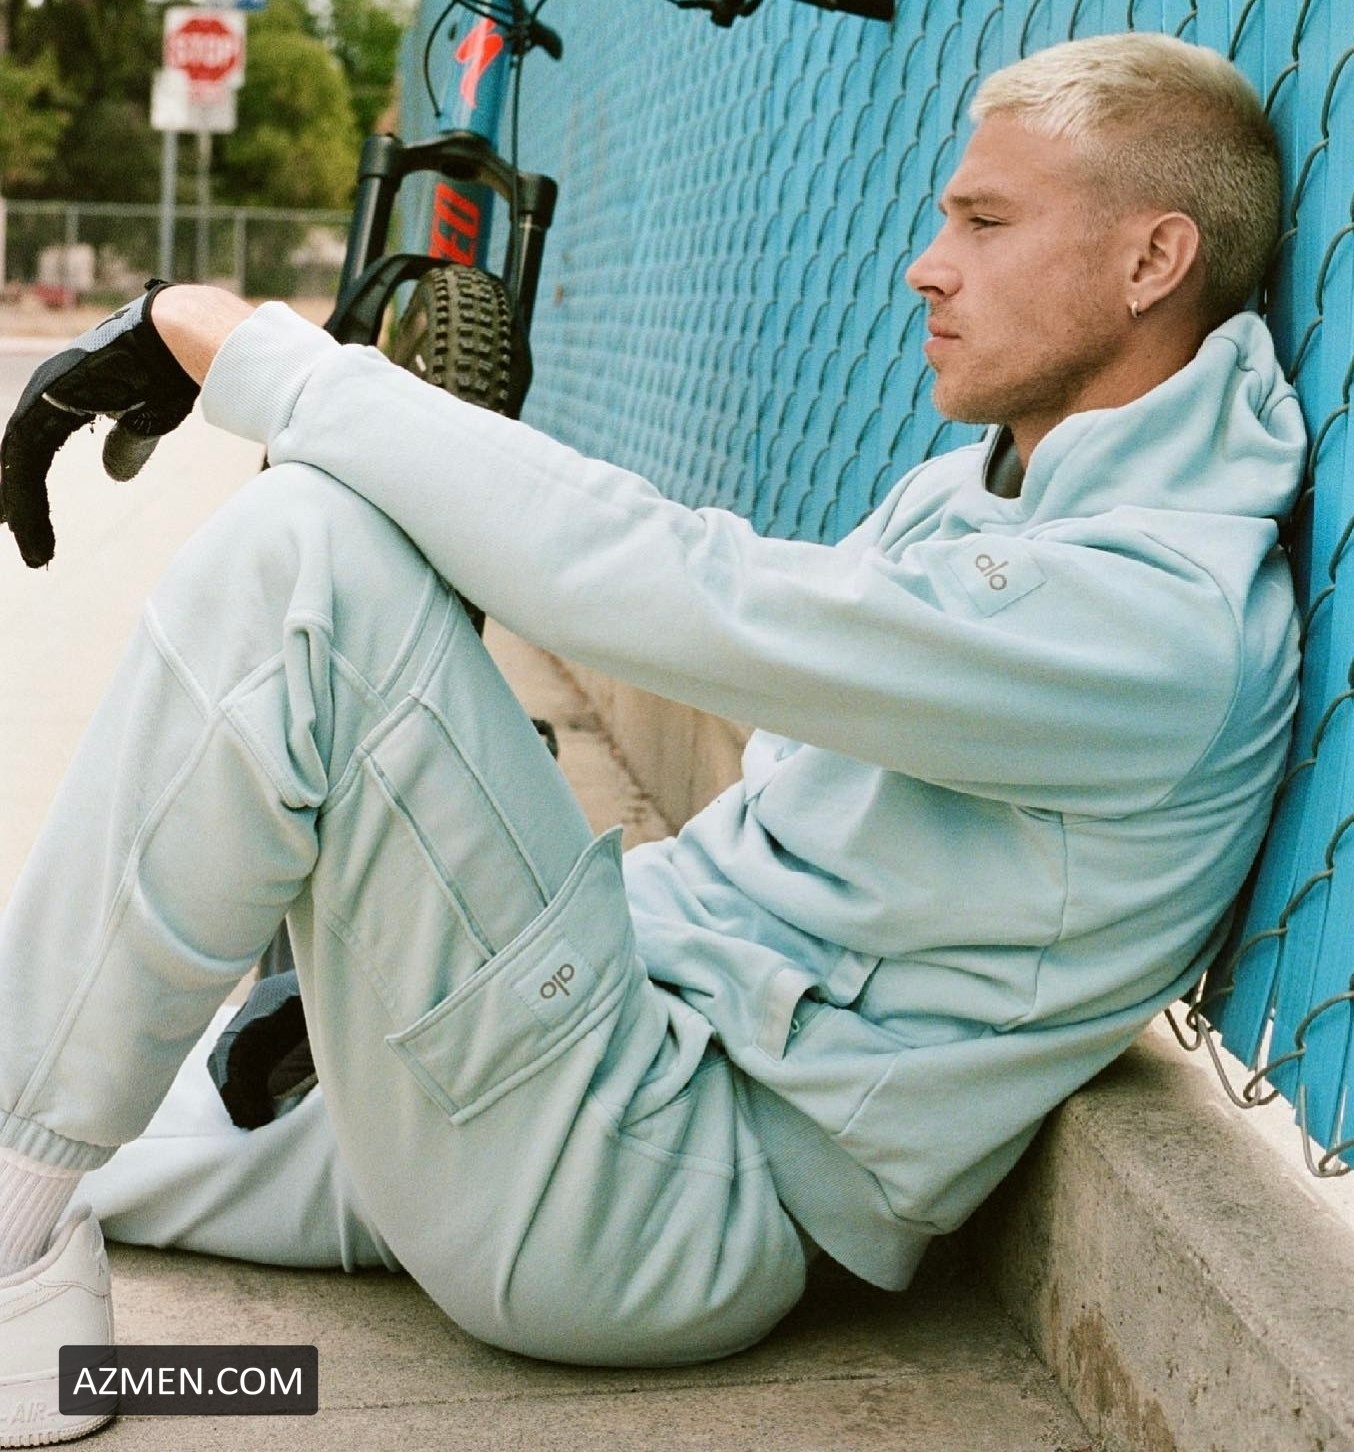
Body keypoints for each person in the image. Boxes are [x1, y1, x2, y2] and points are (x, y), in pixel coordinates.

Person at [0, 29, 1305, 1445]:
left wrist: (242, 348)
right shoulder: (981, 496)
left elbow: (683, 593)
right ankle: (56, 1329)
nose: (927, 266)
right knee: (61, 1108)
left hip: (659, 1193)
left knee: (307, 554)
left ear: (1151, 260)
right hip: (603, 1051)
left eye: (984, 224)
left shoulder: (1153, 627)